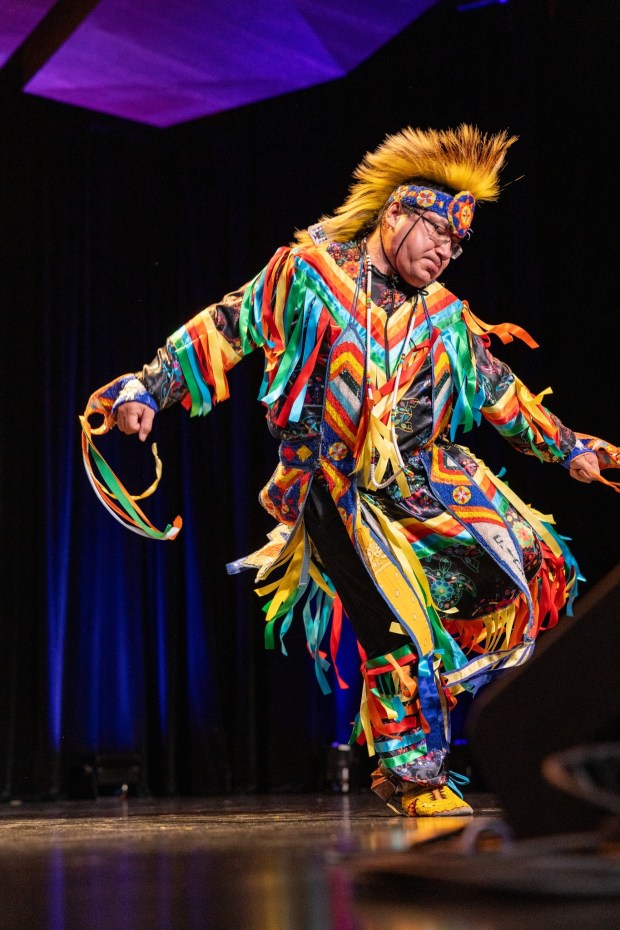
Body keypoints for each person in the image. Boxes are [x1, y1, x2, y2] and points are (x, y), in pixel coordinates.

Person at [82, 125, 619, 817]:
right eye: (438, 235)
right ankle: (418, 775)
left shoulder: (443, 316)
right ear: (396, 211)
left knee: (524, 562)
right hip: (333, 489)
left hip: (422, 486)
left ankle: (404, 763)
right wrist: (147, 388)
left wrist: (569, 445)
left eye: (458, 245)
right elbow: (226, 325)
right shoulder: (306, 274)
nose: (447, 253)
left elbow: (498, 392)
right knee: (398, 623)